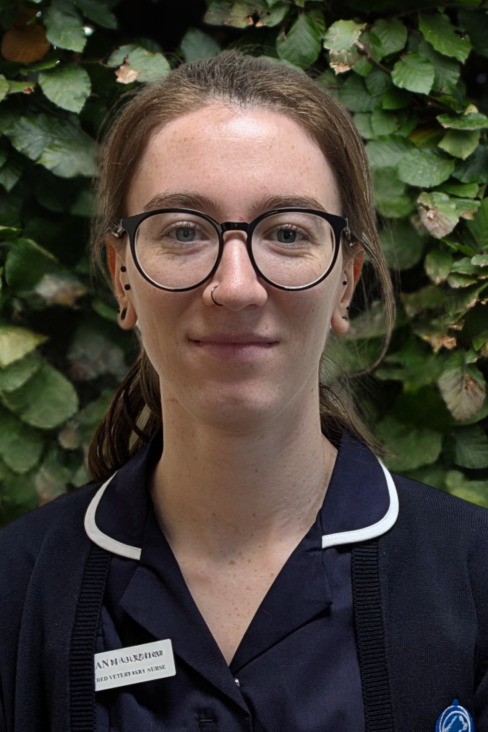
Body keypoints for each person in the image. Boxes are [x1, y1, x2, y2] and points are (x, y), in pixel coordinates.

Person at [1, 51, 487, 732]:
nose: (235, 287)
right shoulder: (17, 590)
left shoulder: (473, 578)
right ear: (122, 276)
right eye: (183, 231)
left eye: (287, 232)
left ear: (345, 280)